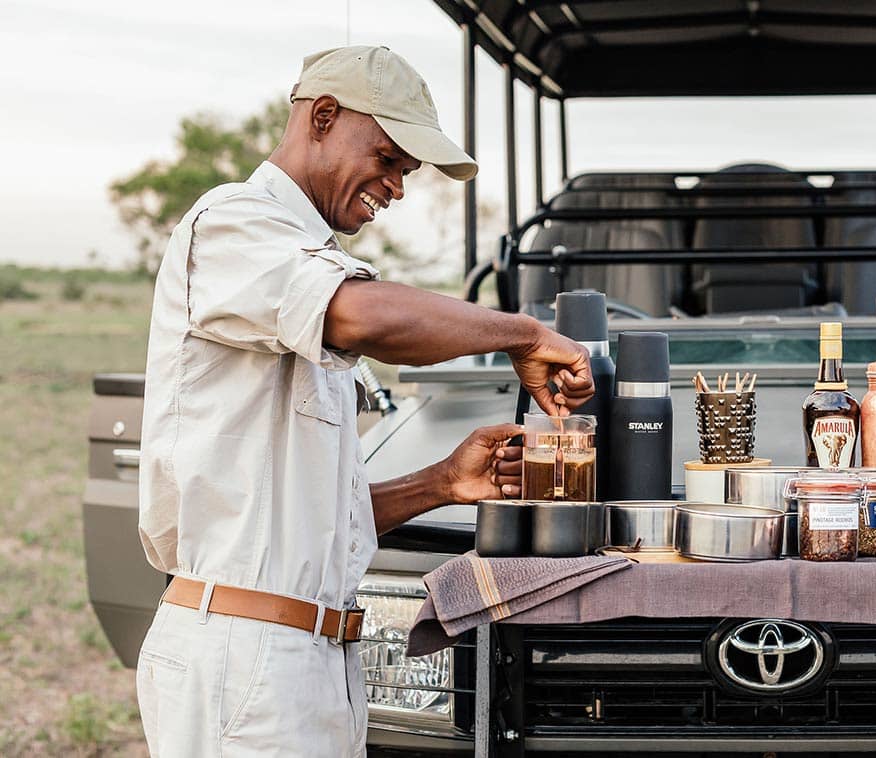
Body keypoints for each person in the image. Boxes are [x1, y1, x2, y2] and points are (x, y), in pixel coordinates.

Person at [134, 46, 594, 756]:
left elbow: (305, 524)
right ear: (322, 116)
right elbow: (364, 318)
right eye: (387, 159)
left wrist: (439, 483)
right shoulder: (233, 223)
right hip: (244, 657)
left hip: (313, 660)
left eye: (406, 172)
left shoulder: (300, 256)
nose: (397, 187)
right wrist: (524, 333)